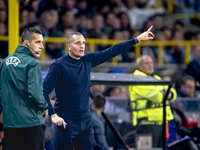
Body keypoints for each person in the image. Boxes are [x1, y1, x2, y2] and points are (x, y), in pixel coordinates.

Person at [43, 26, 155, 150]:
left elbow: (112, 51)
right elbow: (44, 91)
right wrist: (53, 115)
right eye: (78, 43)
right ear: (69, 46)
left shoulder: (88, 60)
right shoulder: (59, 65)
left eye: (84, 43)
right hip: (65, 121)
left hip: (85, 121)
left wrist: (136, 39)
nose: (82, 46)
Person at [0, 27, 48, 150]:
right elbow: (35, 94)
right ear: (26, 43)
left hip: (9, 125)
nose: (41, 46)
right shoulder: (32, 63)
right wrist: (44, 106)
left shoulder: (4, 62)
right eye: (38, 42)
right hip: (31, 124)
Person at [128, 55, 177, 148]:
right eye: (147, 63)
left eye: (151, 63)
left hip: (161, 122)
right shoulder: (137, 79)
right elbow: (157, 97)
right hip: (146, 123)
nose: (150, 65)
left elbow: (173, 94)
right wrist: (166, 92)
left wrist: (165, 91)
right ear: (139, 66)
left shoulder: (156, 78)